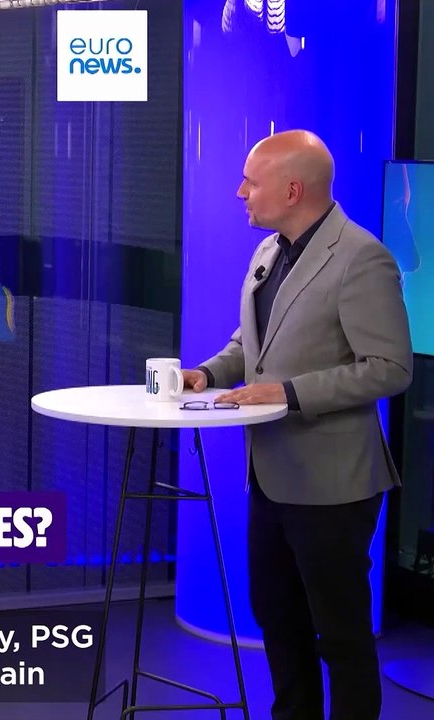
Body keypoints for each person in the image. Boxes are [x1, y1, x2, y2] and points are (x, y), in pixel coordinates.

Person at [184, 130, 411, 720]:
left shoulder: (361, 258)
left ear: (291, 191)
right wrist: (206, 374)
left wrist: (287, 394)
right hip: (271, 474)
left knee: (340, 632)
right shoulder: (269, 251)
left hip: (334, 482)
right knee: (277, 615)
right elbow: (251, 345)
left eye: (250, 182)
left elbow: (389, 368)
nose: (240, 193)